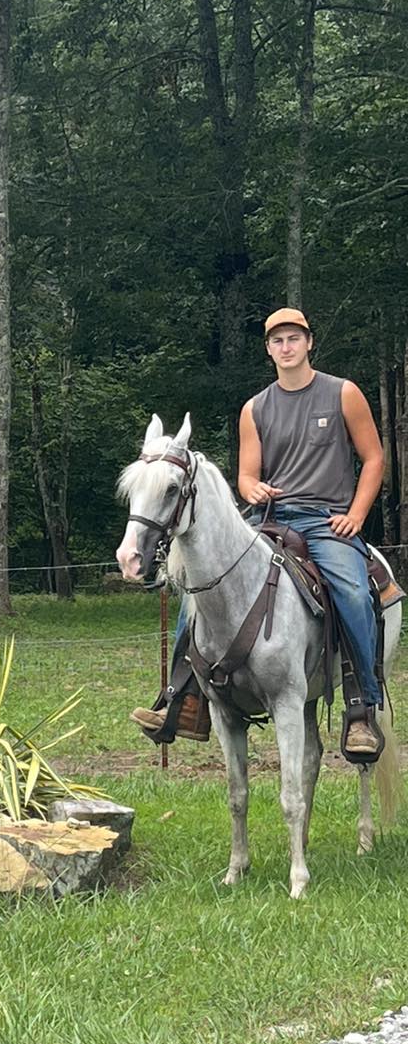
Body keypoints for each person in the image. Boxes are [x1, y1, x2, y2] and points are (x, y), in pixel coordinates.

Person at [131, 306, 385, 755]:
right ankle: (182, 697)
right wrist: (253, 486)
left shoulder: (343, 393)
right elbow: (246, 476)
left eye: (293, 339)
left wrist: (358, 514)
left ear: (309, 342)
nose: (286, 348)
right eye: (277, 341)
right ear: (268, 349)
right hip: (270, 518)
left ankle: (361, 708)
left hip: (328, 522)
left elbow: (374, 458)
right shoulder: (255, 408)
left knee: (352, 593)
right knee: (199, 590)